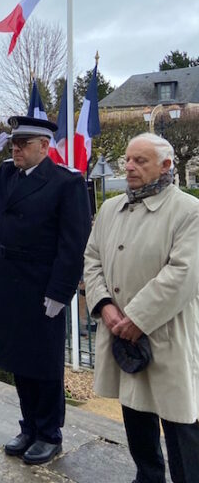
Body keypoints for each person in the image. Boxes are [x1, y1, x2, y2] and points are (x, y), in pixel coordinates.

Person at [0, 116, 91, 465]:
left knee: (45, 364)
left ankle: (50, 433)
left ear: (44, 147)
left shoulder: (67, 183)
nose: (15, 150)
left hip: (41, 288)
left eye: (23, 144)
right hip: (9, 284)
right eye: (13, 145)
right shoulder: (7, 175)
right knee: (19, 360)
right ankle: (29, 426)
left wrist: (60, 291)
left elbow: (73, 242)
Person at [84, 133, 199, 483]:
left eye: (140, 161)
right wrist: (104, 306)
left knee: (180, 420)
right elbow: (92, 260)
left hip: (166, 334)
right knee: (134, 410)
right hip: (119, 330)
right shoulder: (110, 208)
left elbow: (183, 274)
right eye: (127, 160)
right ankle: (147, 477)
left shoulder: (189, 211)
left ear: (166, 166)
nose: (130, 167)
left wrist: (137, 318)